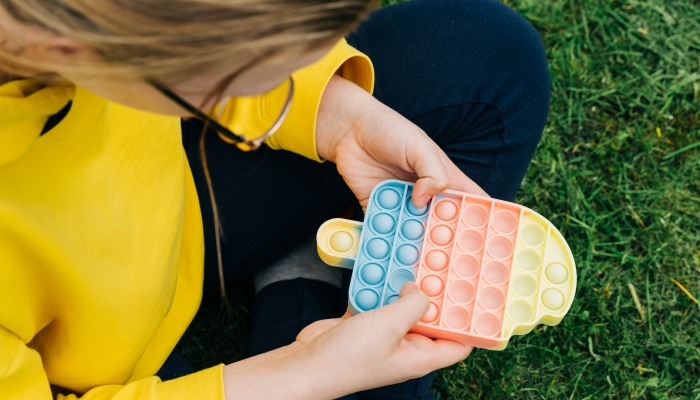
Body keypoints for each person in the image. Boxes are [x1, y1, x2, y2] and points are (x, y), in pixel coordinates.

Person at [0, 0, 549, 398]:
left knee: (490, 55)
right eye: (254, 67)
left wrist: (335, 115)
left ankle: (299, 270)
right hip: (92, 370)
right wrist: (303, 375)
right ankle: (301, 287)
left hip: (178, 192)